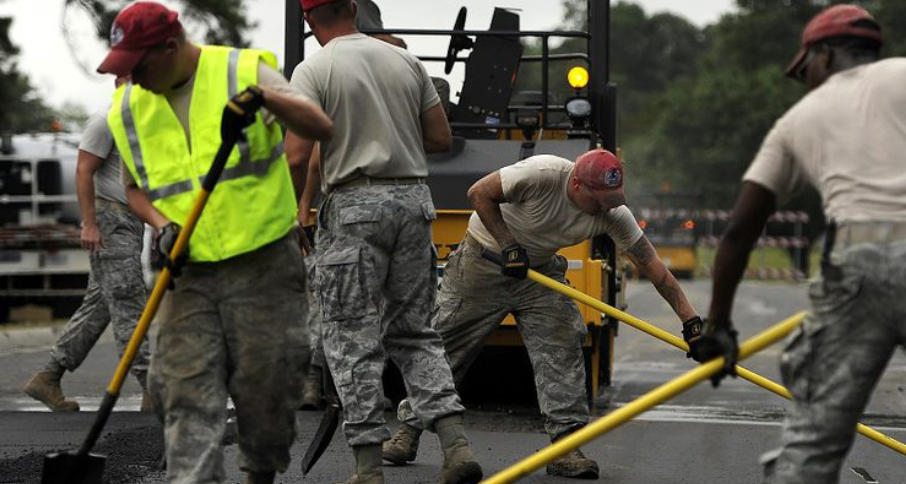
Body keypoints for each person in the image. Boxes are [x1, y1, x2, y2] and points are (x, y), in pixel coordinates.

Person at [96, 2, 333, 483]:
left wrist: (266, 101)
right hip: (189, 272)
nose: (133, 80)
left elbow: (318, 126)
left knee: (267, 392)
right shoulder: (127, 108)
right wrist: (162, 224)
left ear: (170, 46)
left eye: (138, 67)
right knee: (184, 395)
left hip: (264, 261)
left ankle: (259, 472)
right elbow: (135, 189)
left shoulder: (243, 70)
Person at [383, 149, 704, 479]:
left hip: (538, 273)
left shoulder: (613, 213)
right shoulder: (542, 174)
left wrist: (691, 322)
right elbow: (479, 193)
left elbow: (654, 268)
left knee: (563, 340)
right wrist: (508, 244)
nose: (607, 206)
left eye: (613, 198)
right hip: (482, 264)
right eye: (600, 199)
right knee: (445, 346)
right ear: (577, 185)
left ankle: (565, 447)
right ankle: (408, 430)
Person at [698, 5, 904, 484]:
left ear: (825, 56)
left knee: (812, 444)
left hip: (858, 268)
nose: (806, 79)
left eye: (805, 67)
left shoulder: (797, 119)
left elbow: (739, 232)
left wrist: (720, 326)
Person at [287, 1, 482, 483]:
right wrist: (392, 133)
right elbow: (440, 137)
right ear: (353, 8)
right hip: (414, 202)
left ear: (309, 20)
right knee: (415, 332)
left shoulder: (314, 68)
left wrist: (295, 211)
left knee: (351, 336)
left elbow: (296, 154)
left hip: (354, 207)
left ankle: (368, 468)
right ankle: (456, 448)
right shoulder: (406, 61)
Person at [22, 83, 153, 413]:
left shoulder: (138, 122)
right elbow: (83, 169)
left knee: (99, 306)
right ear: (119, 84)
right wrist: (89, 223)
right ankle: (153, 387)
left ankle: (48, 377)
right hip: (111, 220)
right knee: (129, 300)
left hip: (129, 222)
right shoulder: (105, 119)